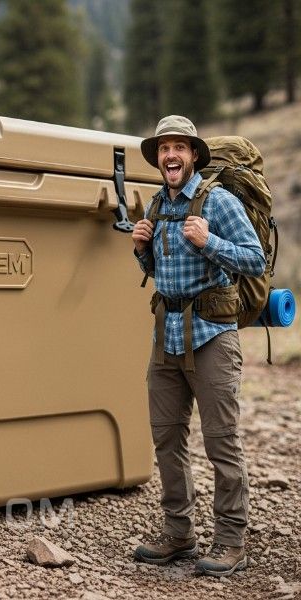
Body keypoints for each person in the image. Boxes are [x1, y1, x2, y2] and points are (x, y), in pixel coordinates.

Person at [130, 115, 266, 577]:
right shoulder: (156, 204)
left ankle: (230, 542)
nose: (170, 155)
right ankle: (179, 534)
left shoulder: (219, 201)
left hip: (212, 337)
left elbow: (255, 258)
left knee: (222, 443)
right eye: (164, 148)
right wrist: (141, 249)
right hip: (165, 336)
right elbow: (160, 267)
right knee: (167, 438)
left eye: (179, 148)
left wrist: (210, 242)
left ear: (192, 156)